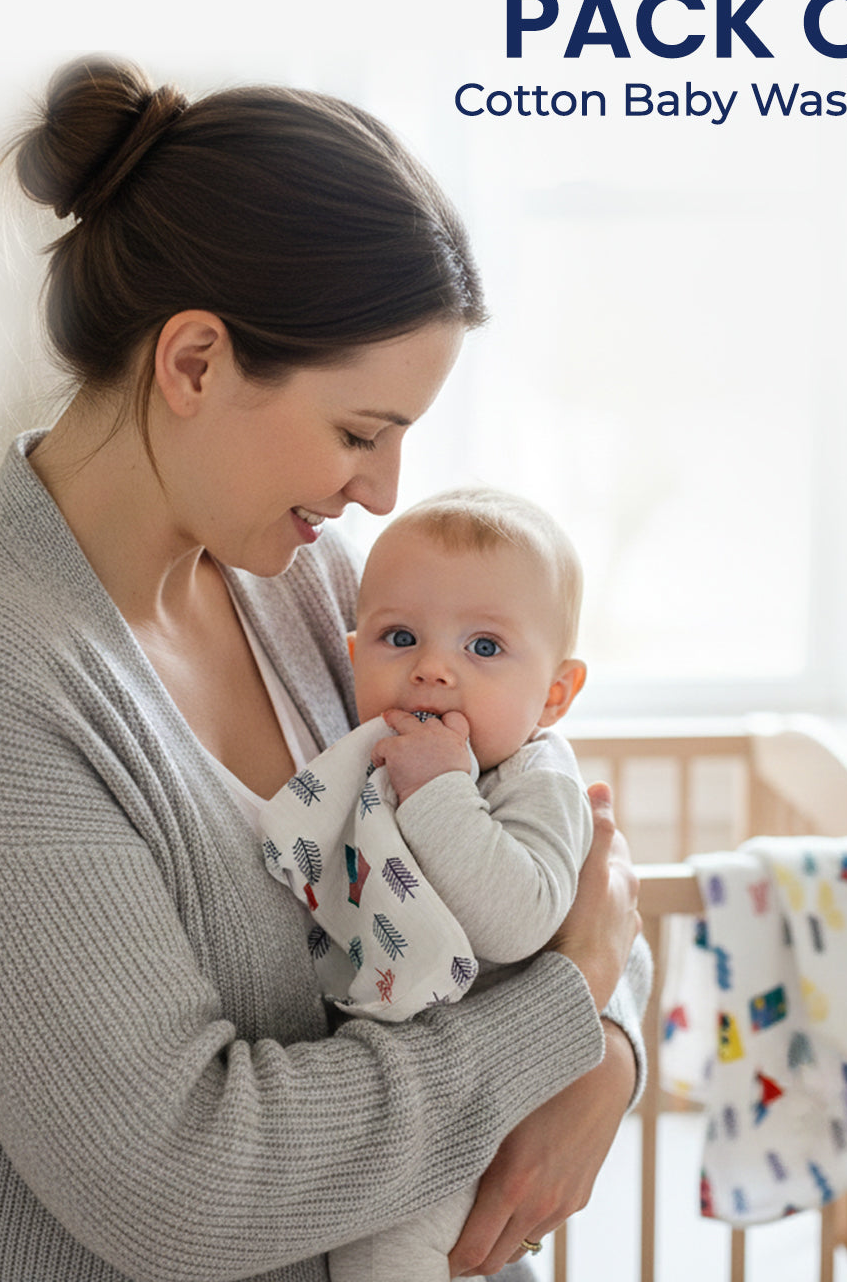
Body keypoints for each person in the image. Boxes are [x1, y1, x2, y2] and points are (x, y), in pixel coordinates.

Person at [0, 56, 648, 1282]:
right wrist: (572, 1007)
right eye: (359, 433)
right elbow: (188, 1186)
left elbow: (559, 849)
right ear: (194, 362)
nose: (383, 493)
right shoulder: (12, 689)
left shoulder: (309, 582)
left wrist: (607, 1053)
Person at [260, 487, 599, 1280]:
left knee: (387, 1257)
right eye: (400, 638)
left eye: (484, 647)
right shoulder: (374, 756)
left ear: (555, 694)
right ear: (354, 657)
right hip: (389, 1094)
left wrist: (442, 791)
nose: (432, 669)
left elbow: (522, 921)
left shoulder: (535, 779)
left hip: (481, 1110)